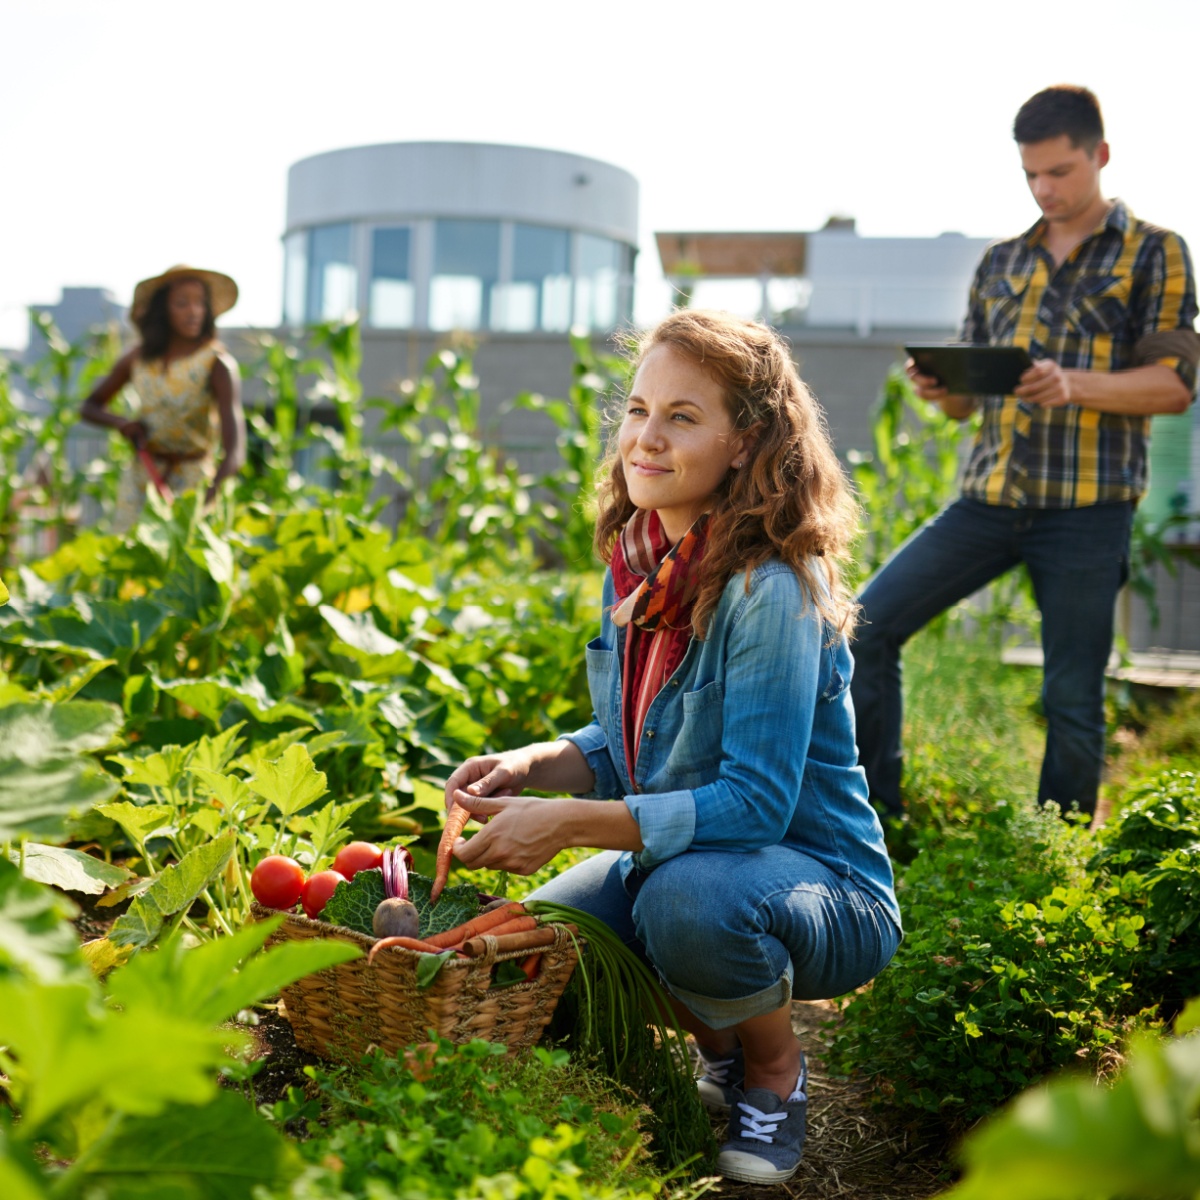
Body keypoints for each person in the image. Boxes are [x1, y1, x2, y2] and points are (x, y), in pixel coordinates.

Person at [443, 310, 902, 1185]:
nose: (646, 440)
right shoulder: (644, 564)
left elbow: (755, 805)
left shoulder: (770, 588)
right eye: (638, 411)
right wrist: (536, 766)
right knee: (548, 944)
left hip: (820, 884)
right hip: (697, 861)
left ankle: (772, 1069)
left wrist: (569, 824)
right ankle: (719, 1037)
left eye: (683, 418)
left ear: (747, 442)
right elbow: (635, 741)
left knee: (684, 903)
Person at [852, 85, 1199, 822]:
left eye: (1061, 172)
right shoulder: (1001, 262)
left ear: (1100, 156)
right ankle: (876, 821)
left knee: (1070, 695)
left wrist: (1072, 384)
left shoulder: (1156, 252)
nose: (1046, 189)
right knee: (863, 628)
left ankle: (1058, 852)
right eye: (1031, 175)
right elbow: (964, 404)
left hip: (1087, 511)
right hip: (988, 501)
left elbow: (1173, 387)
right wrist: (939, 386)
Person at [81, 264, 246, 529]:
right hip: (143, 477)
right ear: (163, 311)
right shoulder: (138, 359)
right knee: (129, 559)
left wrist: (205, 500)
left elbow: (235, 453)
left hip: (193, 484)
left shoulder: (216, 364)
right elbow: (89, 406)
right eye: (182, 303)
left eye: (200, 304)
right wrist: (123, 424)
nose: (193, 311)